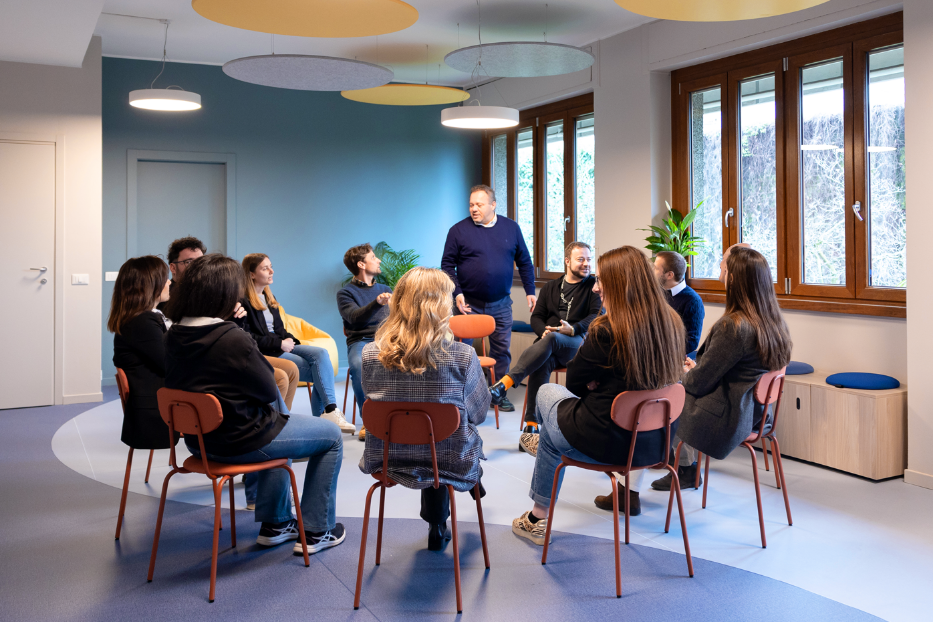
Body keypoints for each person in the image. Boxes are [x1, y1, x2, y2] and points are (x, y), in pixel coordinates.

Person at [163, 254, 345, 554]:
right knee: (331, 436)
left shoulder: (173, 335)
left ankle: (277, 524)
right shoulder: (231, 336)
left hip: (199, 443)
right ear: (225, 293)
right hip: (241, 439)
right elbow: (266, 389)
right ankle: (317, 530)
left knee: (280, 423)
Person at [511, 246, 686, 543]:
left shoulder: (607, 329)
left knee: (546, 393)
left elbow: (576, 384)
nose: (596, 287)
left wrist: (599, 383)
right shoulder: (672, 323)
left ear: (619, 284)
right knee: (553, 431)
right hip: (654, 445)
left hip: (606, 442)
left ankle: (537, 516)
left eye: (601, 280)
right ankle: (542, 451)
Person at [360, 267, 490, 551]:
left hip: (387, 459)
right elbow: (479, 414)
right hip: (451, 459)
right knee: (443, 443)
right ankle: (462, 496)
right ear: (441, 307)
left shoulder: (370, 354)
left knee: (431, 440)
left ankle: (437, 522)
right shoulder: (463, 356)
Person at [650, 244, 791, 492]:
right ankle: (682, 467)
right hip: (759, 411)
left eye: (722, 269)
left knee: (669, 396)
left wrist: (690, 373)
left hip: (732, 416)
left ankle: (681, 469)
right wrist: (698, 368)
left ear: (733, 277)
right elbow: (734, 369)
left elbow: (698, 383)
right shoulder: (774, 322)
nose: (719, 275)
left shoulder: (734, 326)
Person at [488, 241, 602, 449]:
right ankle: (531, 427)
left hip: (578, 345)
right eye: (580, 259)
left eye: (588, 259)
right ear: (567, 261)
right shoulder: (551, 287)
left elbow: (596, 316)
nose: (586, 264)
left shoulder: (592, 286)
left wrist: (573, 329)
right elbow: (537, 317)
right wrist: (543, 331)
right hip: (551, 346)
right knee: (544, 358)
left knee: (551, 340)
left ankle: (503, 384)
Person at [441, 184, 536, 412]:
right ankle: (462, 395)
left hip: (501, 303)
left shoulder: (511, 228)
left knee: (501, 350)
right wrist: (458, 293)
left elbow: (524, 262)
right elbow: (446, 265)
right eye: (471, 204)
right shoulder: (458, 230)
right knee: (461, 350)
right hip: (468, 304)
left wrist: (530, 290)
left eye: (479, 204)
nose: (474, 209)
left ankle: (497, 393)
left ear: (493, 205)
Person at [240, 253, 354, 433]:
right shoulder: (243, 302)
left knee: (321, 354)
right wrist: (280, 344)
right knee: (320, 372)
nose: (272, 271)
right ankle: (326, 416)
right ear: (251, 274)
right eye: (265, 268)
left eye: (271, 266)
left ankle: (330, 411)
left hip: (280, 344)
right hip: (267, 351)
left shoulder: (269, 297)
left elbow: (280, 330)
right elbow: (248, 337)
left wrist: (290, 340)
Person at [108, 256, 178, 451]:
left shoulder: (142, 317)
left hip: (156, 403)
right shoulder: (142, 323)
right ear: (150, 285)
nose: (169, 282)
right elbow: (170, 365)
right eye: (165, 278)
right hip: (157, 412)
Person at [337, 243, 392, 443]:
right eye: (373, 257)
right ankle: (369, 423)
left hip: (386, 339)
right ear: (361, 264)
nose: (378, 260)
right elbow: (353, 318)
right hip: (360, 341)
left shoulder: (385, 289)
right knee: (359, 365)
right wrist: (376, 303)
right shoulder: (346, 293)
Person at [654, 250, 705, 359]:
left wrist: (659, 351)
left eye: (656, 268)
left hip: (670, 361)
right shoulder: (656, 293)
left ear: (669, 275)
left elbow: (691, 341)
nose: (652, 272)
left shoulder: (693, 301)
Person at [156, 236, 205, 311]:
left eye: (201, 262)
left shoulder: (210, 292)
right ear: (173, 268)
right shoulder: (162, 296)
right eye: (189, 262)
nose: (197, 266)